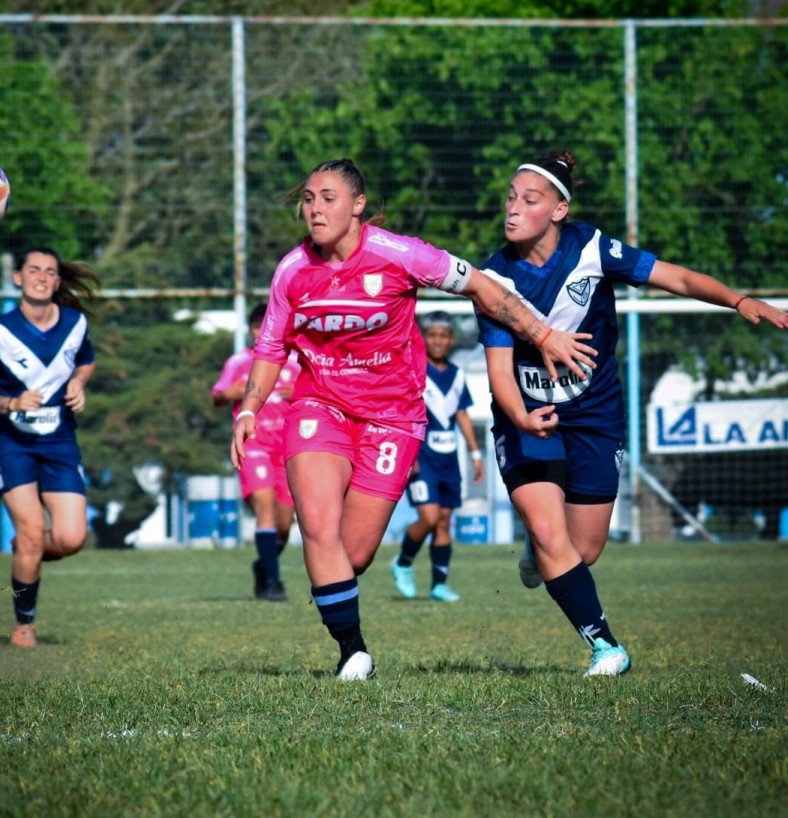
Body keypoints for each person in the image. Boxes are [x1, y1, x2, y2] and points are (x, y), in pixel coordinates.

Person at [231, 158, 598, 681]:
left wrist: (543, 335)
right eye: (309, 198)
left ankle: (341, 603)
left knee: (352, 555)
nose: (314, 209)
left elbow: (483, 289)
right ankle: (352, 652)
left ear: (358, 206)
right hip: (320, 405)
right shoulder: (292, 270)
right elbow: (270, 346)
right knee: (317, 522)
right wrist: (250, 406)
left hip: (392, 417)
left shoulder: (403, 255)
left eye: (328, 198)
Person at [478, 149, 788, 676]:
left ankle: (539, 547)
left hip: (596, 413)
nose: (513, 208)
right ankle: (606, 647)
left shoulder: (594, 248)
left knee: (584, 548)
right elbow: (500, 372)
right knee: (554, 536)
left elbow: (678, 279)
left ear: (558, 210)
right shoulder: (493, 280)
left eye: (529, 200)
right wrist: (522, 418)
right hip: (529, 416)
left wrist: (738, 300)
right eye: (510, 197)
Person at [0, 246, 99, 648]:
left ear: (58, 281)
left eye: (50, 272)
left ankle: (29, 549)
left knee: (72, 538)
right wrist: (9, 403)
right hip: (10, 441)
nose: (42, 277)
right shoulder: (0, 332)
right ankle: (24, 623)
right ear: (18, 278)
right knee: (31, 531)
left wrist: (78, 382)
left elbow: (86, 361)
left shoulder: (75, 323)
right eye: (33, 270)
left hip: (59, 441)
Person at [391, 310, 484, 603]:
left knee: (444, 521)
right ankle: (403, 562)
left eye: (443, 336)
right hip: (422, 457)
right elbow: (402, 412)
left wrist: (475, 454)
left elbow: (462, 414)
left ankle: (439, 584)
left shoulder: (457, 375)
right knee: (429, 517)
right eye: (432, 335)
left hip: (449, 459)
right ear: (423, 338)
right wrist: (408, 452)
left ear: (451, 339)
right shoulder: (413, 371)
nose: (438, 341)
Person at [211, 303, 300, 601]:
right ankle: (273, 583)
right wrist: (231, 394)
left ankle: (264, 565)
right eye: (256, 326)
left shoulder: (296, 363)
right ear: (249, 330)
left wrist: (300, 391)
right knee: (265, 511)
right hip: (255, 447)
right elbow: (219, 396)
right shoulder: (239, 362)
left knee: (284, 526)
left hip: (287, 449)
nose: (262, 332)